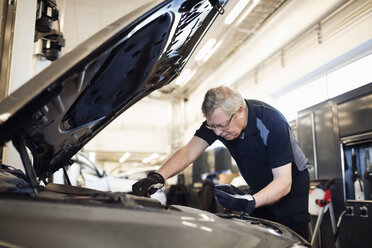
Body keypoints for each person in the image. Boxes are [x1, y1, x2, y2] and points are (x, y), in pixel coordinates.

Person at [132, 86, 311, 240]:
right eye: (213, 126)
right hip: (259, 185)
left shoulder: (272, 122)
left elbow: (283, 182)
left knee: (290, 235)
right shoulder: (218, 121)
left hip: (290, 187)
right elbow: (188, 151)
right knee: (263, 235)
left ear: (240, 111)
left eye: (222, 126)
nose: (217, 133)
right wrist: (158, 176)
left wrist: (250, 201)